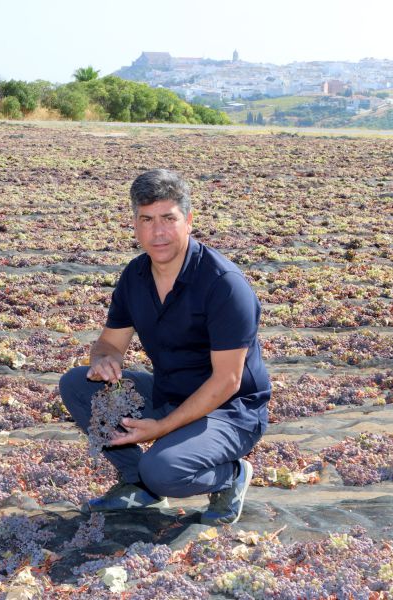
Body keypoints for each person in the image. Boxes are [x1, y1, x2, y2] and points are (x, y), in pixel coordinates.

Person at [59, 168, 270, 525]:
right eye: (147, 220)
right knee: (79, 385)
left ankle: (230, 476)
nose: (158, 232)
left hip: (231, 411)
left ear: (188, 221)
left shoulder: (224, 285)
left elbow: (227, 382)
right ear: (135, 225)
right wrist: (104, 360)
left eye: (168, 219)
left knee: (164, 469)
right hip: (170, 391)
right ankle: (137, 484)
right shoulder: (135, 276)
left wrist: (162, 428)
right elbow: (110, 342)